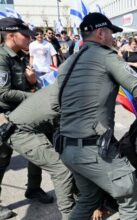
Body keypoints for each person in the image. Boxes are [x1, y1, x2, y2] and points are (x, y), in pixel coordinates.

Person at [58, 13, 137, 219]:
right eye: (111, 34)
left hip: (67, 146)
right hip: (93, 149)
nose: (113, 39)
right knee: (132, 202)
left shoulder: (68, 63)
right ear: (100, 33)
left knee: (88, 200)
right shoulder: (106, 56)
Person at [0, 17, 54, 219]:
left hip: (26, 114)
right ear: (11, 35)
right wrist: (33, 94)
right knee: (2, 158)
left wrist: (33, 83)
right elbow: (2, 93)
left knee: (37, 151)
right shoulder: (2, 58)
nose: (29, 40)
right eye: (25, 36)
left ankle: (33, 188)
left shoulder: (21, 57)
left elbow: (30, 85)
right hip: (5, 117)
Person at [4, 83, 75, 219]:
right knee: (61, 169)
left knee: (42, 154)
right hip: (12, 126)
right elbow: (3, 93)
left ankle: (33, 188)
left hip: (31, 121)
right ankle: (69, 215)